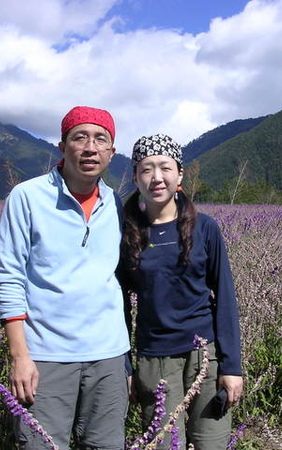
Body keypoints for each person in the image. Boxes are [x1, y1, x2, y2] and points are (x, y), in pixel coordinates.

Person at [0, 106, 130, 449]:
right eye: (79, 137)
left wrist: (126, 360)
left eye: (101, 139)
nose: (90, 147)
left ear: (112, 153)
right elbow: (7, 277)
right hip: (45, 355)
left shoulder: (116, 204)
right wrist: (19, 356)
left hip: (108, 356)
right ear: (62, 145)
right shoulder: (27, 196)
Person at [118, 134, 243, 450]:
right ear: (135, 177)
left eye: (165, 167)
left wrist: (231, 367)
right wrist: (125, 366)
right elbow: (118, 305)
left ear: (180, 174)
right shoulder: (126, 232)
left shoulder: (205, 228)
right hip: (154, 358)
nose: (157, 178)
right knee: (163, 444)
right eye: (146, 169)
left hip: (206, 355)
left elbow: (225, 298)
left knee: (211, 443)